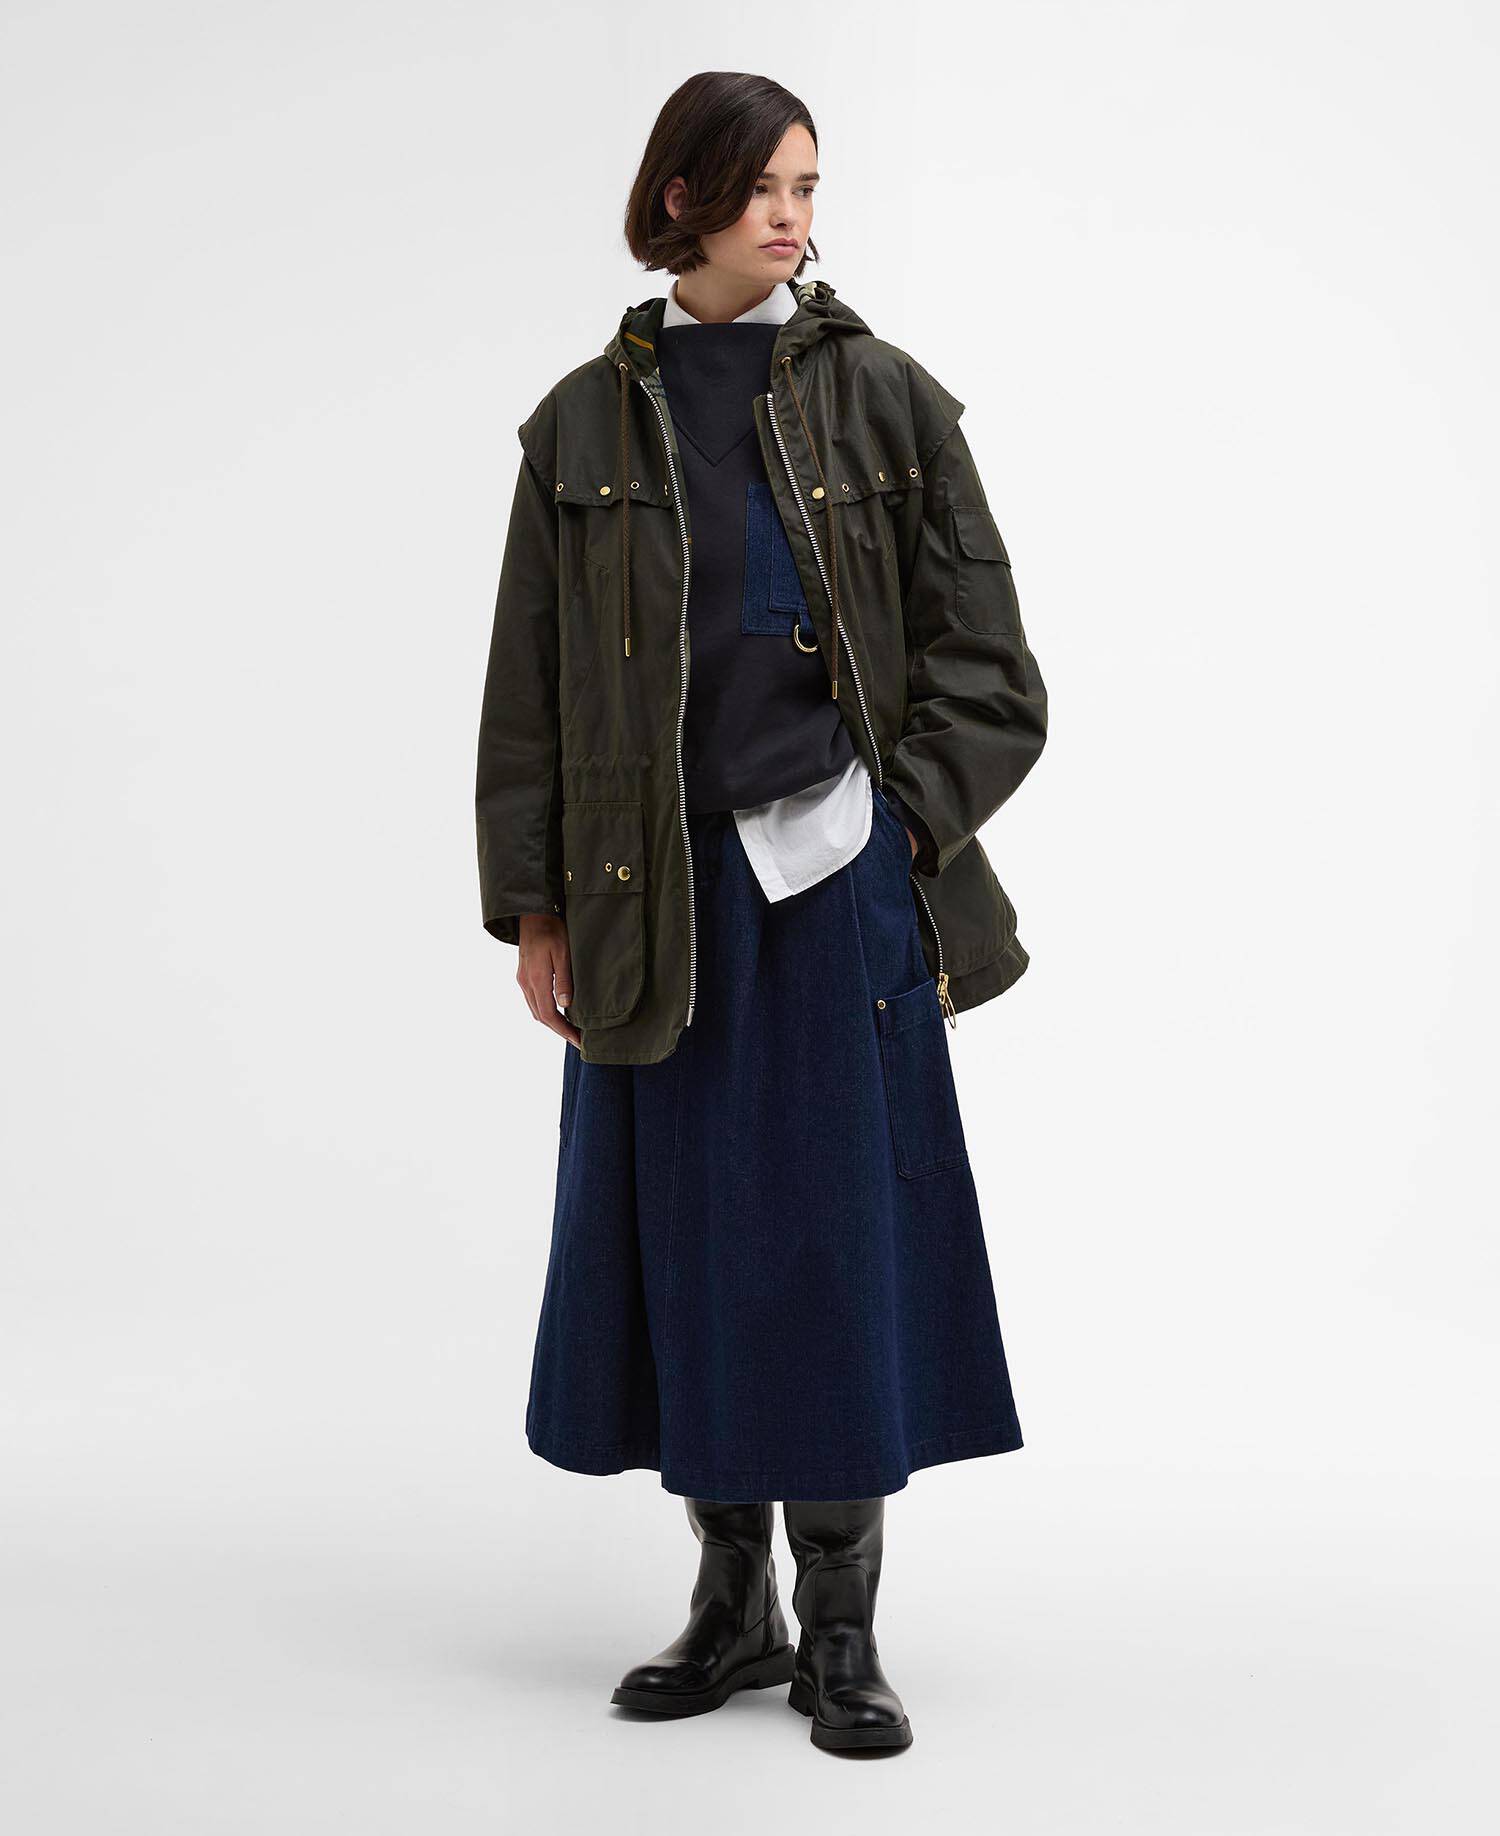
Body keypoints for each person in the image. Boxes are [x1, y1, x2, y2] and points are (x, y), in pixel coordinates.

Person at [474, 71, 1047, 1755]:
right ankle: (732, 1608)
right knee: (682, 1245)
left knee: (836, 1245)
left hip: (830, 884)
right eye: (763, 188)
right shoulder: (578, 429)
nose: (792, 216)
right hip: (648, 897)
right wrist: (535, 906)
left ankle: (842, 1629)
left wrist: (894, 831)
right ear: (683, 199)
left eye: (808, 186)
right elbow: (527, 699)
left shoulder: (889, 401)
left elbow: (995, 673)